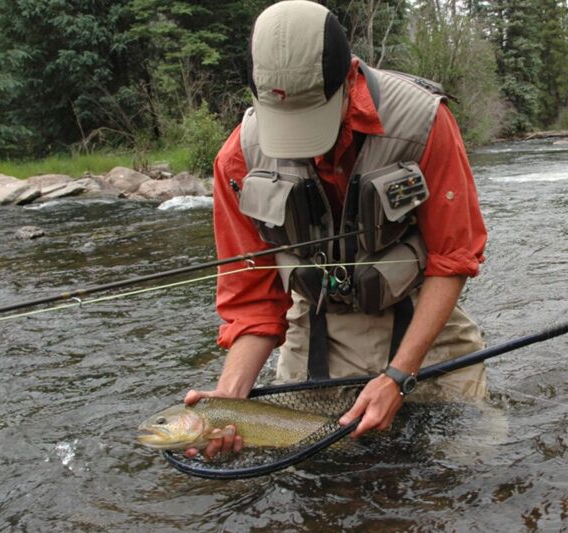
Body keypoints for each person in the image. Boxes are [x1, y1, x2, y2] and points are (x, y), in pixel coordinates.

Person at [184, 0, 489, 459]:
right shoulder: (238, 157)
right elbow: (253, 300)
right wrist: (229, 401)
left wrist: (399, 375)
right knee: (311, 481)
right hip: (319, 333)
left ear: (350, 76)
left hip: (425, 322)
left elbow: (453, 259)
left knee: (469, 463)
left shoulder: (424, 122)